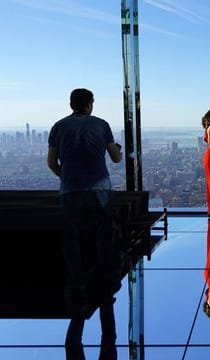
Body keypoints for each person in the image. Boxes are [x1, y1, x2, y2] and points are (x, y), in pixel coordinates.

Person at [47, 88, 122, 360]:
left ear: (71, 104)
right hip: (99, 188)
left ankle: (77, 279)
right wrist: (118, 151)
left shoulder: (58, 126)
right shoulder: (101, 125)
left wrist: (66, 176)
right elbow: (115, 157)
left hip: (70, 189)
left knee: (72, 236)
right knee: (104, 234)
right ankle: (104, 275)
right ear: (90, 104)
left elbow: (51, 161)